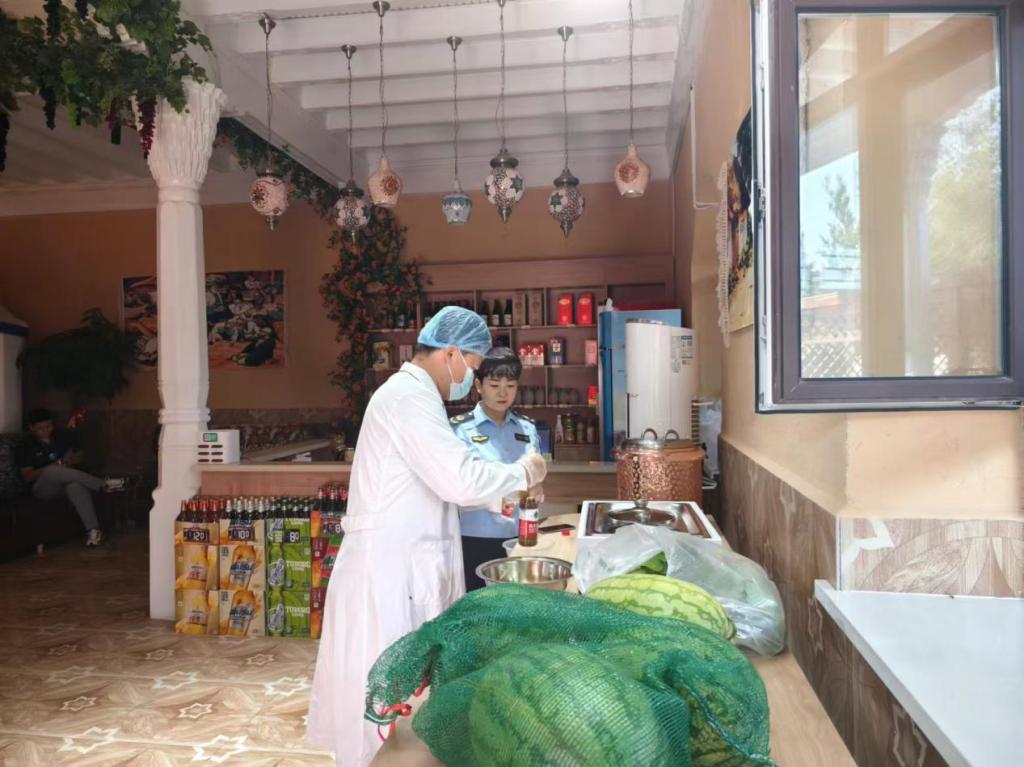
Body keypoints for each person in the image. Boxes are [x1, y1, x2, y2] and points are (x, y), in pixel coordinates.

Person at [307, 306, 547, 767]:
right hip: (389, 574)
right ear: (451, 353)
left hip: (403, 565)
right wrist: (522, 471)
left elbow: (436, 485)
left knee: (398, 705)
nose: (470, 380)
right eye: (473, 367)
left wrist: (501, 498)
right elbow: (458, 478)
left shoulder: (416, 398)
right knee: (381, 707)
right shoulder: (408, 398)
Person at [450, 347, 539, 591]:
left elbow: (533, 480)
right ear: (478, 386)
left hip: (520, 537)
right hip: (474, 538)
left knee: (517, 606)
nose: (503, 393)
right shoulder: (459, 430)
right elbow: (457, 487)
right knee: (477, 607)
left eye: (510, 385)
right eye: (494, 385)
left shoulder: (527, 428)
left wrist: (537, 487)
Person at [15, 408, 123, 547]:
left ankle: (93, 531)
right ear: (31, 428)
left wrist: (69, 461)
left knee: (74, 486)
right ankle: (103, 484)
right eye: (41, 428)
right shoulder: (25, 445)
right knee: (50, 470)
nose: (46, 431)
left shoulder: (59, 436)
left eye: (49, 426)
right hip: (41, 487)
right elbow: (28, 476)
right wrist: (54, 466)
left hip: (65, 480)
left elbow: (80, 455)